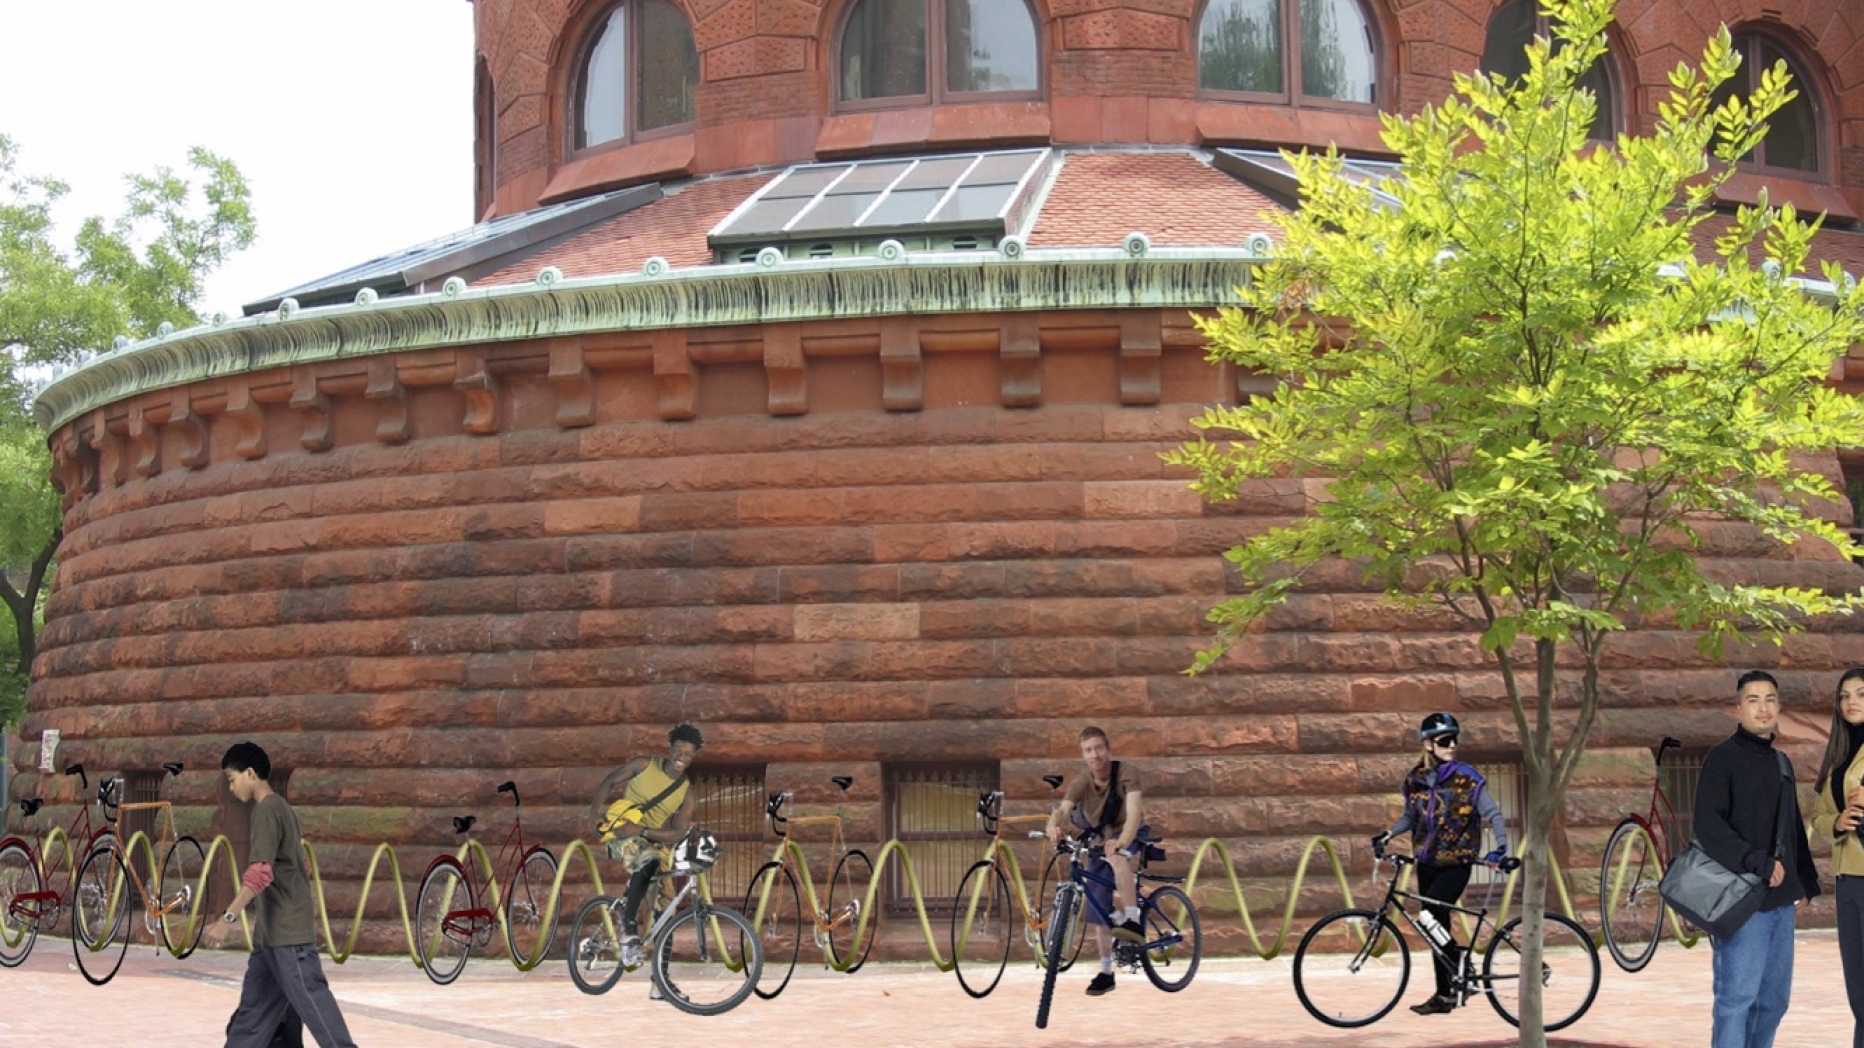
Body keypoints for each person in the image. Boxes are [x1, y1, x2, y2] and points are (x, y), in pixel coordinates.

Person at [204, 742, 357, 1048]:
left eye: (232, 779)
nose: (231, 788)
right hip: (269, 939)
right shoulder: (280, 809)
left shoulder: (267, 812)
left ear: (251, 773)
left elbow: (261, 873)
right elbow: (301, 865)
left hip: (288, 938)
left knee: (316, 1009)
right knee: (251, 1019)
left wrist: (227, 919)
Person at [1698, 670, 1822, 1048]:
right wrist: (1757, 862)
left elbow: (1790, 826)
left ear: (1779, 707)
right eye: (1753, 700)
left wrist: (1806, 879)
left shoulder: (1781, 762)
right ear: (1738, 709)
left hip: (1780, 904)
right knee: (1736, 1001)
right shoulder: (1721, 760)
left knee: (1773, 1002)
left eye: (1770, 699)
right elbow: (1708, 827)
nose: (1763, 707)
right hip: (1740, 901)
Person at [1372, 712, 1509, 1016]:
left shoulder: (1467, 778)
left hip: (1456, 861)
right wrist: (1389, 833)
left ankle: (1463, 963)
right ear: (1428, 744)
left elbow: (1493, 814)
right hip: (1427, 862)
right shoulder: (1415, 779)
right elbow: (1411, 816)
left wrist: (1501, 848)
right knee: (1436, 926)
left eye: (1455, 739)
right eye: (1445, 740)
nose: (1452, 745)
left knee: (1429, 917)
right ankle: (1444, 994)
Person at [587, 722, 704, 967]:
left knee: (666, 909)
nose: (680, 758)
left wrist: (642, 830)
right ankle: (629, 931)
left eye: (687, 754)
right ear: (670, 749)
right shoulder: (644, 764)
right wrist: (595, 814)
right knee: (648, 859)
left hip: (650, 839)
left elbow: (676, 833)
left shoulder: (686, 793)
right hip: (622, 835)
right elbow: (610, 781)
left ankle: (661, 982)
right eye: (678, 751)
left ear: (693, 757)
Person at [1045, 725, 1144, 997]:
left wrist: (1122, 842)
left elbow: (1134, 812)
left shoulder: (1127, 773)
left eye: (1099, 748)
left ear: (1108, 749)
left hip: (1128, 833)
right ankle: (1105, 972)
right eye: (1088, 750)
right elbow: (1063, 809)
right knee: (1099, 907)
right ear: (1083, 755)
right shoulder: (1081, 782)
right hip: (1100, 838)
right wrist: (1053, 826)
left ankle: (1132, 921)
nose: (1095, 755)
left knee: (1116, 856)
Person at [1812, 668, 1864, 1048]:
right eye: (1845, 696)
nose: (1852, 702)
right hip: (1847, 881)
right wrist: (1838, 820)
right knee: (1859, 992)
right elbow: (1818, 819)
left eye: (1861, 694)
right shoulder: (1837, 757)